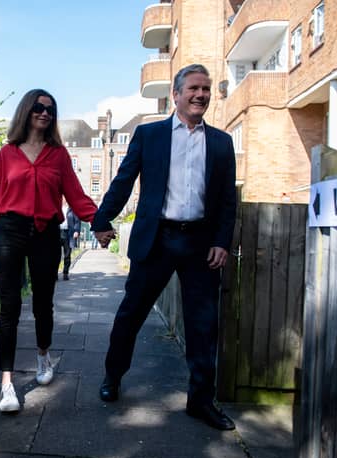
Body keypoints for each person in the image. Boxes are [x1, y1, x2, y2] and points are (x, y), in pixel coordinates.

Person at [92, 64, 237, 431]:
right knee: (130, 315)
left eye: (205, 89)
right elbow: (124, 180)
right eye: (193, 88)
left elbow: (225, 201)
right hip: (156, 240)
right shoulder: (150, 135)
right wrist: (101, 219)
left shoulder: (221, 142)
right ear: (175, 94)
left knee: (203, 326)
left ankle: (200, 401)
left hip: (200, 245)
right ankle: (113, 376)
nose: (200, 94)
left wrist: (222, 241)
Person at [0, 89, 97, 412]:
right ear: (26, 112)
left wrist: (99, 221)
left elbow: (76, 196)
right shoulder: (8, 154)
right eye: (39, 108)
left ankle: (44, 354)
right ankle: (6, 385)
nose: (45, 114)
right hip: (10, 232)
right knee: (9, 307)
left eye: (50, 110)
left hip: (45, 234)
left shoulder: (58, 155)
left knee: (43, 304)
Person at [58, 204, 81, 280]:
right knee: (55, 255)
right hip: (57, 232)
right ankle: (54, 273)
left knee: (67, 254)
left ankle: (65, 273)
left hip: (69, 233)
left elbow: (77, 221)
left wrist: (76, 230)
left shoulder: (72, 208)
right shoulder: (57, 206)